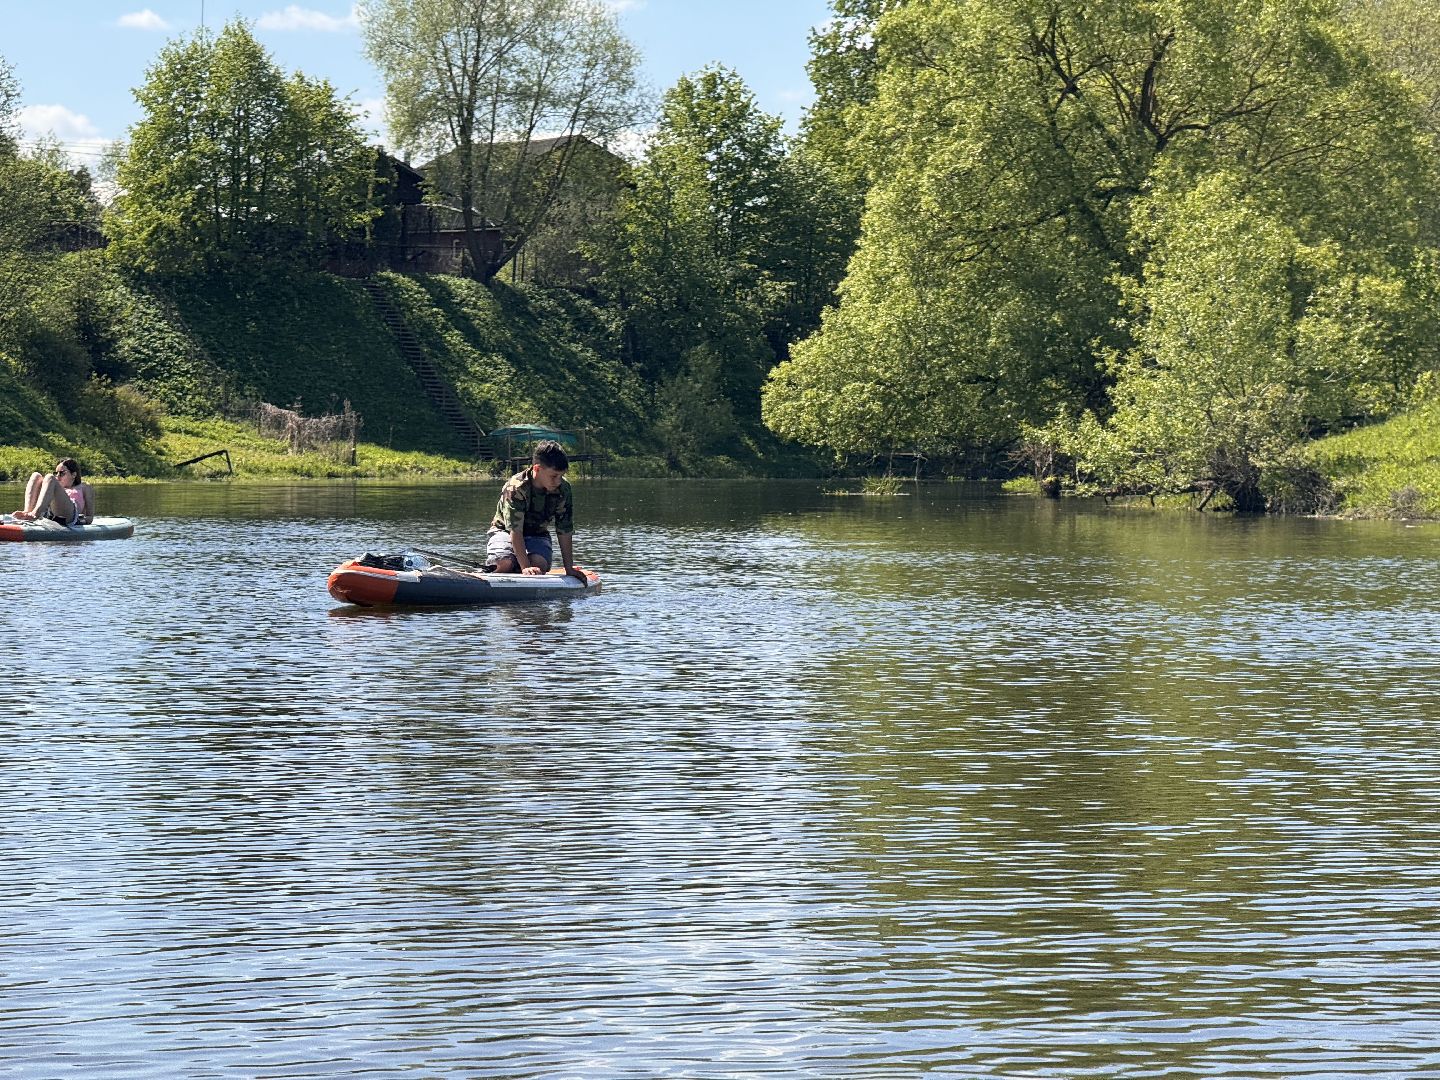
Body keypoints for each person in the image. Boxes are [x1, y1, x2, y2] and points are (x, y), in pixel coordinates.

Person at [484, 440, 577, 577]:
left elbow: (564, 530)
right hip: (504, 532)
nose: (558, 481)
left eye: (561, 476)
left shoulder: (563, 489)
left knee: (538, 565)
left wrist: (569, 568)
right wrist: (525, 567)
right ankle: (505, 567)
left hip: (537, 535)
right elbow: (515, 530)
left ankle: (517, 566)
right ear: (537, 469)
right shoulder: (516, 487)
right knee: (504, 564)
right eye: (554, 476)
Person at [10, 458, 93, 526]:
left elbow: (90, 517)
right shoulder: (56, 486)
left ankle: (35, 514)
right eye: (56, 473)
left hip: (70, 515)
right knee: (36, 475)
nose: (57, 476)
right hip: (49, 513)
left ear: (74, 475)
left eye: (61, 473)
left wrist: (82, 521)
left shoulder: (84, 487)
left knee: (50, 477)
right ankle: (27, 513)